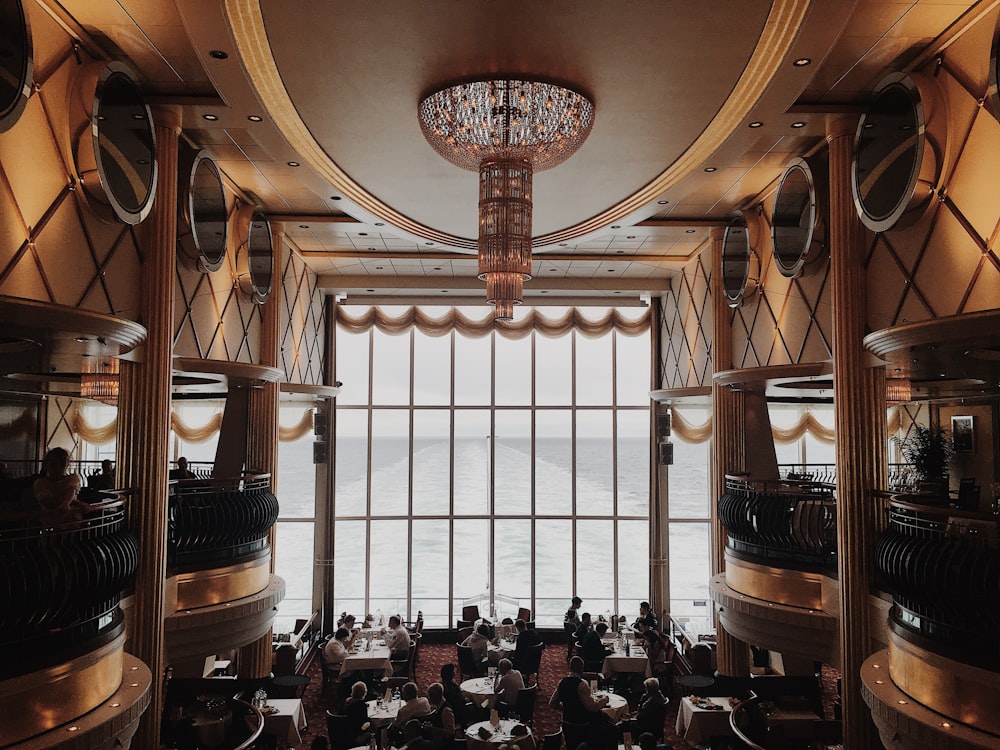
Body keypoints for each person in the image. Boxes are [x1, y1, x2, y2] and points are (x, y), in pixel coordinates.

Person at [33, 447, 86, 522]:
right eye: (53, 464)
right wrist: (74, 503)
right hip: (51, 522)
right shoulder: (40, 484)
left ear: (66, 465)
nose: (58, 468)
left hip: (71, 522)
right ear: (46, 465)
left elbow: (71, 491)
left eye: (62, 464)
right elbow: (48, 502)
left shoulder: (71, 480)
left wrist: (68, 503)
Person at [424, 681, 457, 746]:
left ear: (437, 696)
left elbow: (450, 732)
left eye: (430, 696)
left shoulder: (446, 711)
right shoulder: (439, 705)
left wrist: (432, 729)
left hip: (444, 743)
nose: (429, 699)